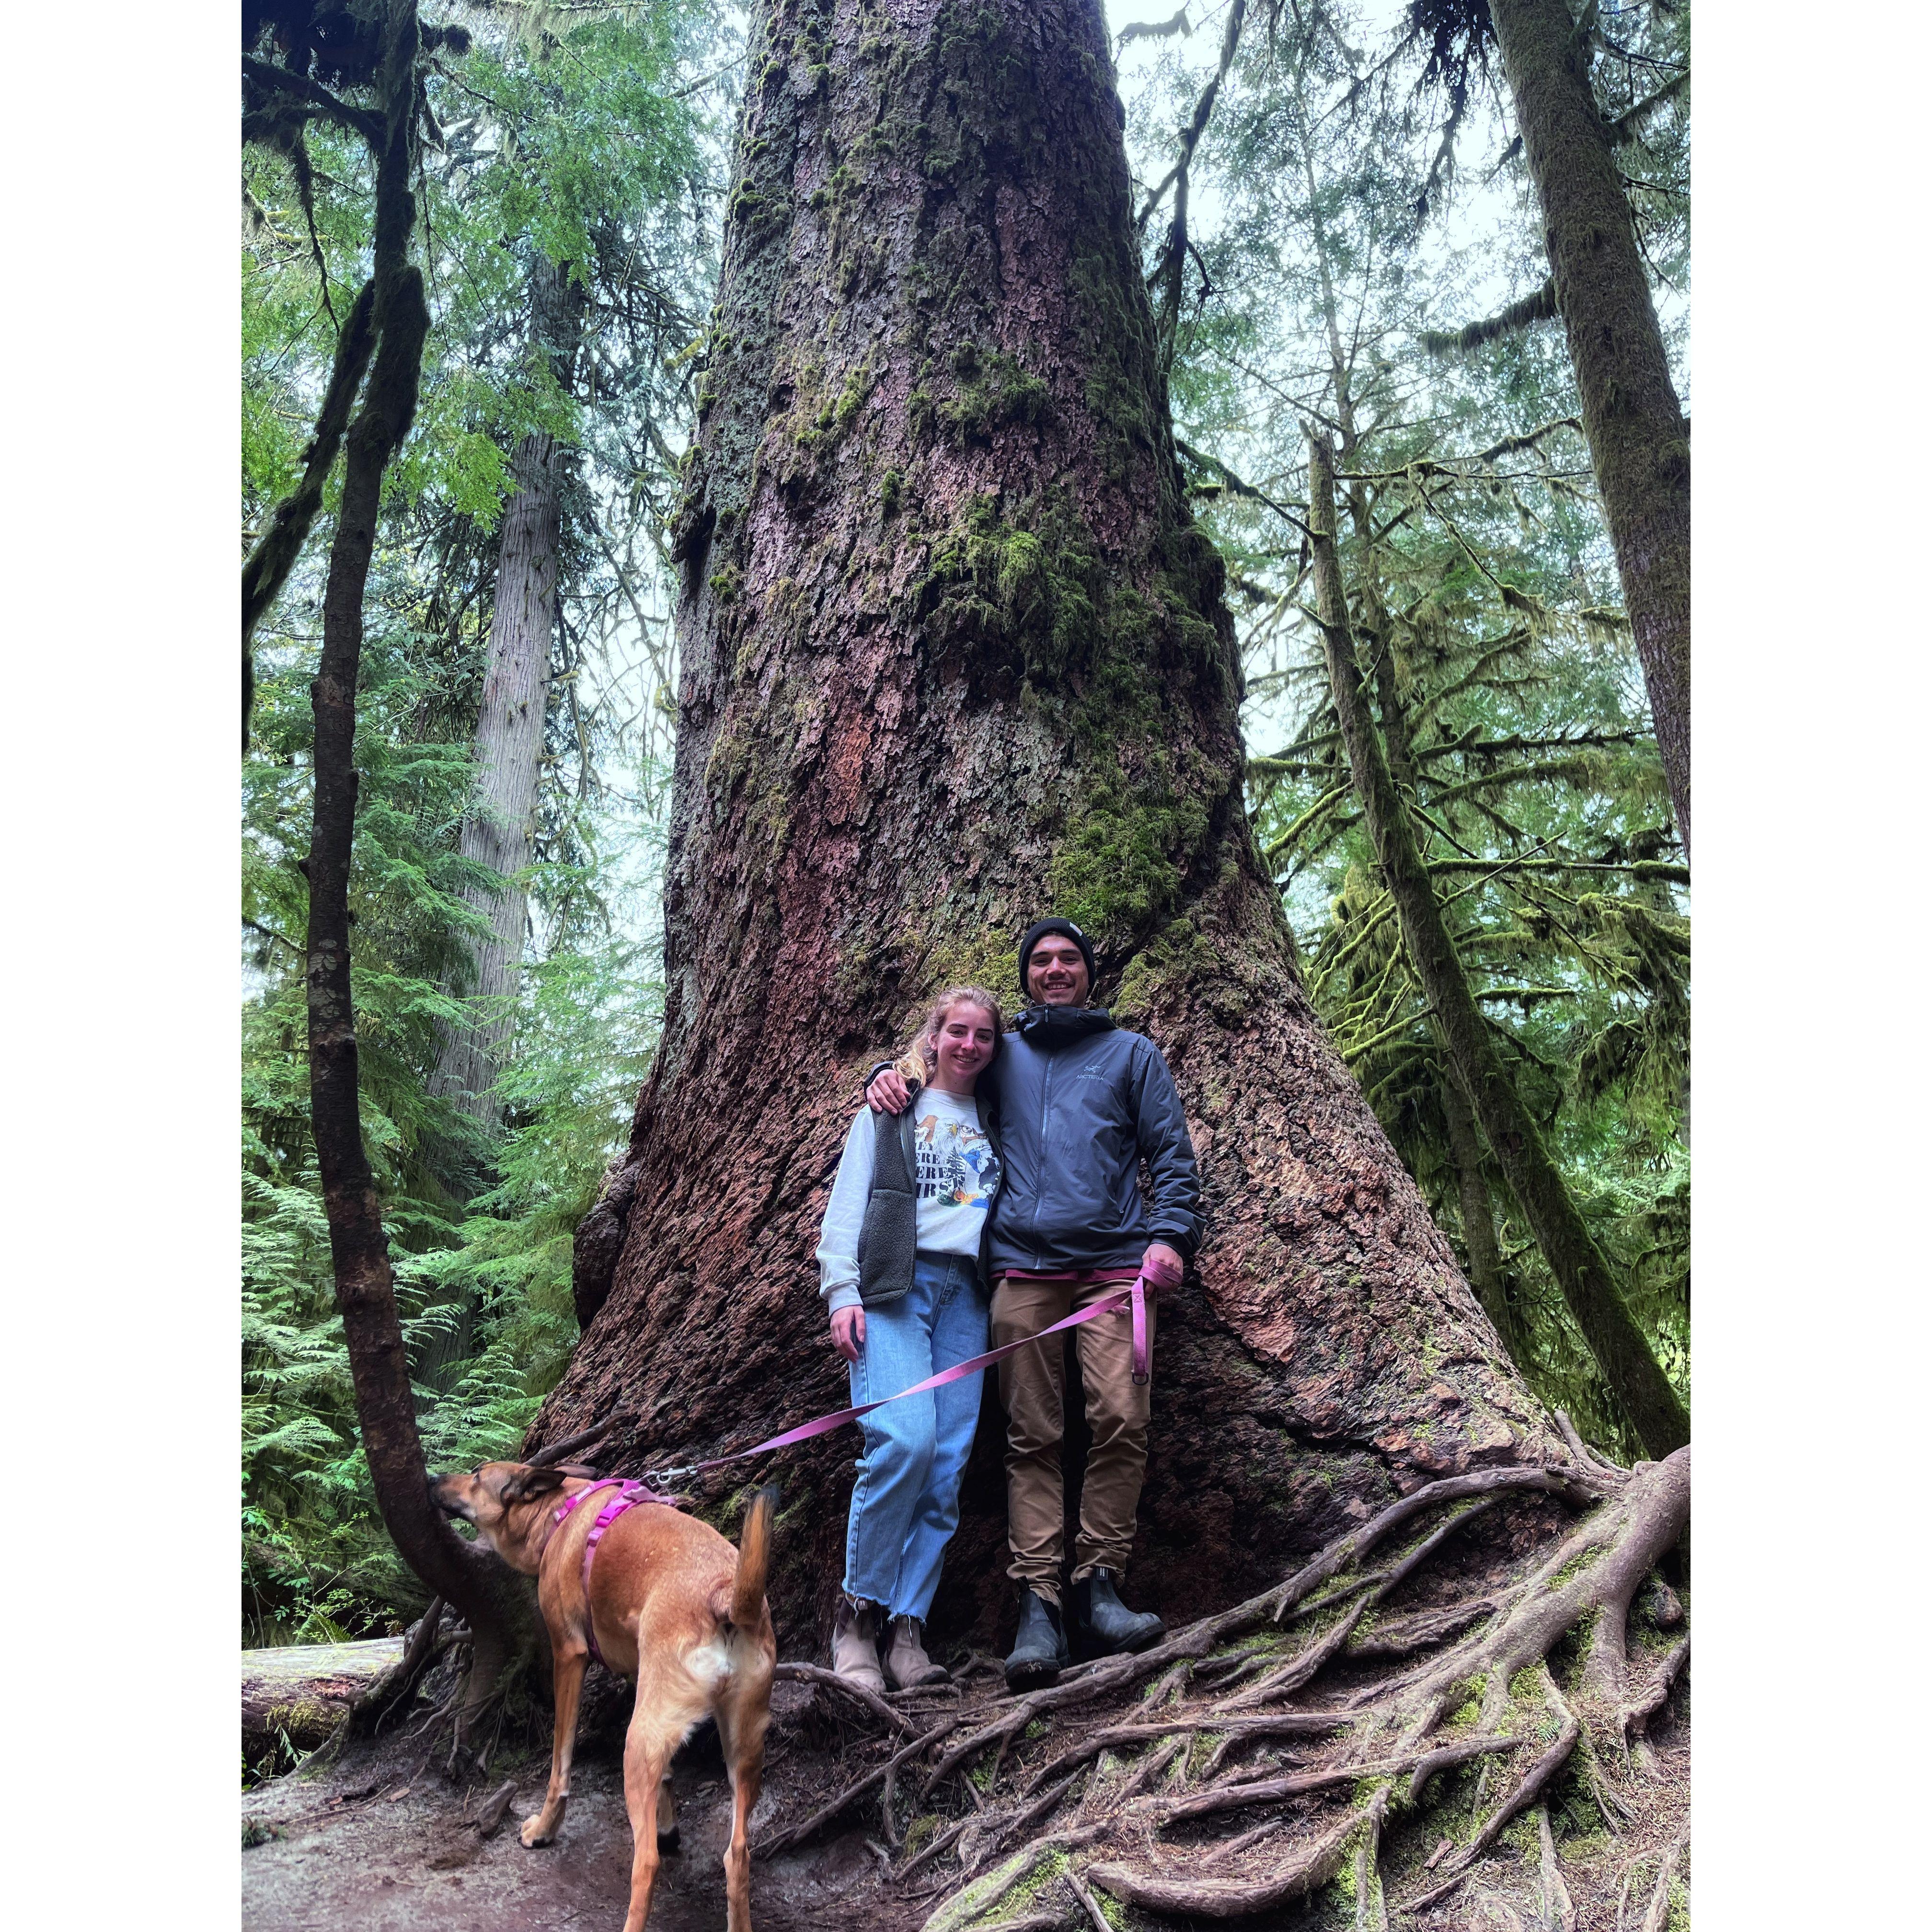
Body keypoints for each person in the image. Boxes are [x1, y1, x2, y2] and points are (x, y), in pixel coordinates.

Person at [866, 918, 1202, 1690]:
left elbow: (1172, 1158)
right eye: (1042, 961)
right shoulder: (1001, 1053)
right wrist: (886, 1072)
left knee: (1121, 1418)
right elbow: (933, 1066)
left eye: (1069, 960)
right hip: (1021, 1273)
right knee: (1033, 1435)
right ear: (1027, 976)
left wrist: (1172, 1238)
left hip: (1115, 1271)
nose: (1055, 970)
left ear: (1090, 972)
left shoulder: (1132, 1055)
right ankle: (1038, 1608)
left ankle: (1100, 1587)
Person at [816, 986, 1006, 1692]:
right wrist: (842, 1291)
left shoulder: (998, 1119)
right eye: (956, 1032)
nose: (968, 1045)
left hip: (970, 1300)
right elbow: (848, 1203)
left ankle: (907, 1630)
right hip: (897, 1286)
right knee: (905, 1439)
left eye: (983, 1036)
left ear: (993, 1048)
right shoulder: (893, 1109)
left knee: (948, 1463)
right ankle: (855, 1618)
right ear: (933, 1039)